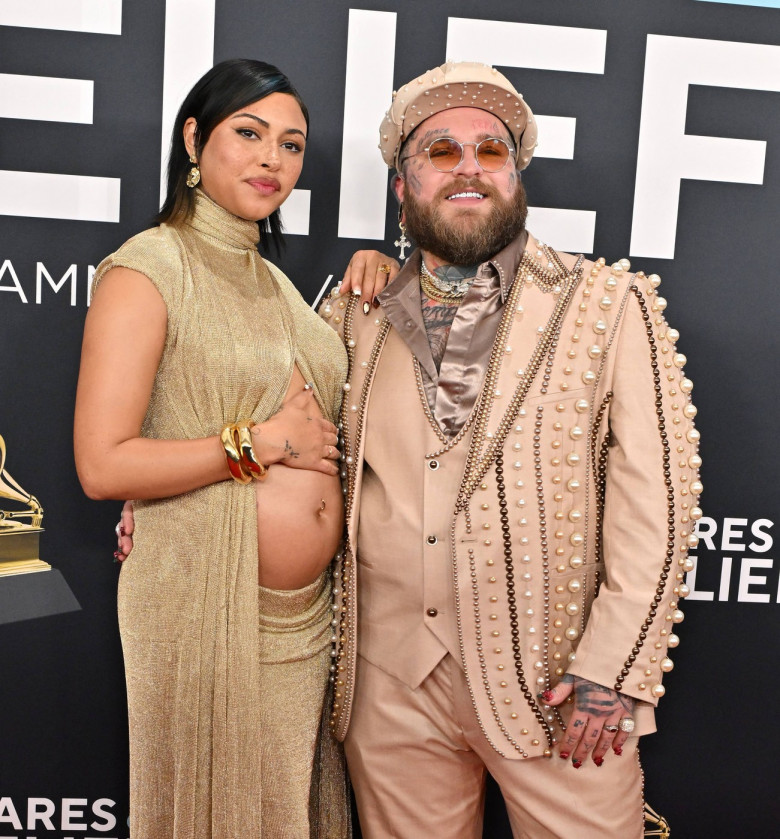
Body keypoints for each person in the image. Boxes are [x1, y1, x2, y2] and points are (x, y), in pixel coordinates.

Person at [318, 61, 701, 838]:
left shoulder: (607, 304)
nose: (468, 168)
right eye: (440, 151)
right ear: (402, 185)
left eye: (490, 152)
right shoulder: (354, 315)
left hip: (559, 690)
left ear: (516, 176)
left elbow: (657, 506)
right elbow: (293, 448)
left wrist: (612, 670)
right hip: (388, 689)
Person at [74, 58, 393, 839]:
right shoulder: (148, 268)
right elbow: (102, 463)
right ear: (193, 139)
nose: (271, 160)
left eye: (291, 145)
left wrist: (381, 272)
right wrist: (257, 445)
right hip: (203, 601)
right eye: (248, 134)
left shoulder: (269, 278)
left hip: (305, 615)